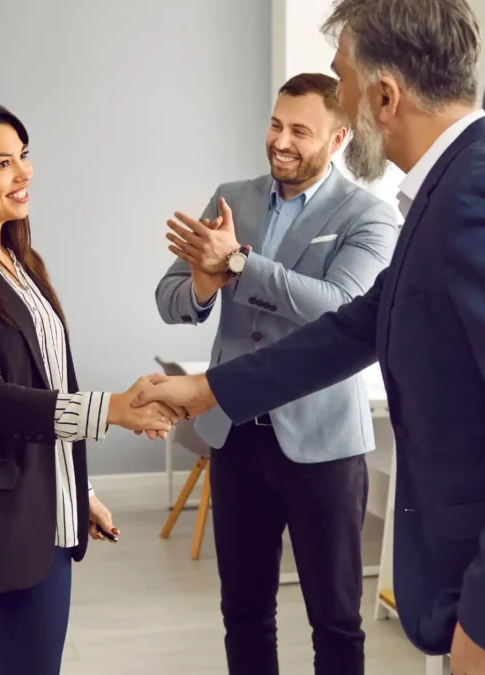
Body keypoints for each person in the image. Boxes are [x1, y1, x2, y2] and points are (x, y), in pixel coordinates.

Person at [133, 1, 485, 674]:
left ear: (385, 96)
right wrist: (208, 389)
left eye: (344, 79)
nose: (341, 96)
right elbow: (359, 326)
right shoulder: (452, 187)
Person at [0, 100, 182, 675]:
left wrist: (76, 489)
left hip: (45, 521)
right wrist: (114, 409)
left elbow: (46, 384)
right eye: (2, 163)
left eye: (23, 156)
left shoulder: (22, 262)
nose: (24, 173)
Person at [156, 72, 400, 675]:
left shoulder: (370, 216)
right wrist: (203, 284)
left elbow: (341, 310)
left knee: (335, 621)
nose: (281, 141)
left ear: (338, 138)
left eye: (300, 131)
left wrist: (240, 263)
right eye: (275, 124)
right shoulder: (231, 199)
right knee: (243, 612)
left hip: (324, 442)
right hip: (234, 433)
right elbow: (170, 299)